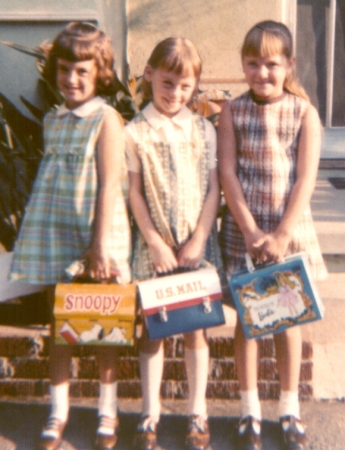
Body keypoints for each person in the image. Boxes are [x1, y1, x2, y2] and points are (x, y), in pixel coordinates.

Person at [9, 21, 131, 450]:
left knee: (103, 327)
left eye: (82, 71)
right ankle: (58, 411)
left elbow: (109, 185)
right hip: (55, 232)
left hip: (95, 237)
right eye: (65, 69)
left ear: (99, 73)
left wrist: (99, 246)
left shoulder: (107, 119)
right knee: (59, 322)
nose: (72, 79)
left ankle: (107, 411)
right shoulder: (52, 118)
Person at [218, 20, 327, 450]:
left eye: (271, 64)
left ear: (289, 65)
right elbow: (227, 171)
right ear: (242, 66)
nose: (262, 73)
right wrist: (248, 229)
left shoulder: (304, 112)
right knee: (248, 322)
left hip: (289, 230)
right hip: (245, 231)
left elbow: (306, 176)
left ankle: (288, 409)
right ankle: (249, 412)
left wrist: (281, 233)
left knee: (287, 320)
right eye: (252, 64)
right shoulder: (232, 110)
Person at [125, 37, 223, 450]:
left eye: (186, 87)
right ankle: (150, 414)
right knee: (154, 332)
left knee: (195, 332)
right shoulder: (134, 131)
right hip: (156, 249)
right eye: (167, 84)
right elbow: (133, 192)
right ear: (149, 75)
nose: (175, 95)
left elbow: (215, 188)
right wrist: (154, 242)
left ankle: (196, 413)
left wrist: (200, 236)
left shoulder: (203, 130)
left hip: (197, 247)